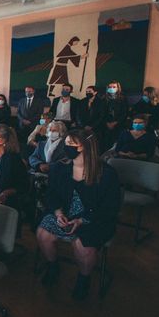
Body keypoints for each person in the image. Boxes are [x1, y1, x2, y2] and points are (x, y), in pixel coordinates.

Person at [37, 129, 120, 300]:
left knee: (83, 246)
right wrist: (59, 213)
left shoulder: (107, 174)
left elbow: (109, 208)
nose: (67, 147)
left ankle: (84, 279)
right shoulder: (60, 168)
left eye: (72, 145)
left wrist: (82, 220)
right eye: (66, 143)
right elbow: (52, 195)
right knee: (43, 234)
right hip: (65, 213)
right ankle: (53, 266)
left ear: (87, 147)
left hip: (93, 219)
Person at [102, 80, 129, 152]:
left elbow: (125, 113)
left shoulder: (123, 98)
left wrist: (115, 123)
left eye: (114, 87)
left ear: (118, 88)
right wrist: (107, 123)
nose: (112, 88)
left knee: (117, 141)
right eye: (110, 87)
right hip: (106, 124)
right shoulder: (104, 98)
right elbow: (101, 113)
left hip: (119, 123)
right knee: (105, 141)